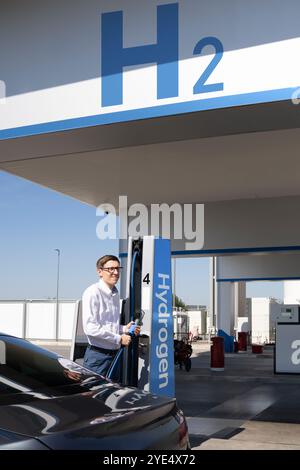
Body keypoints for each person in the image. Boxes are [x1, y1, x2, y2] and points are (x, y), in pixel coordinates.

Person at [82, 254, 136, 376]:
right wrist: (119, 338)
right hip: (98, 357)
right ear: (100, 272)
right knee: (94, 393)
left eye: (117, 268)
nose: (115, 272)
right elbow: (90, 328)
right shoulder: (92, 292)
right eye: (110, 269)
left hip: (114, 354)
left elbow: (108, 324)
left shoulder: (115, 294)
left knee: (112, 393)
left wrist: (124, 328)